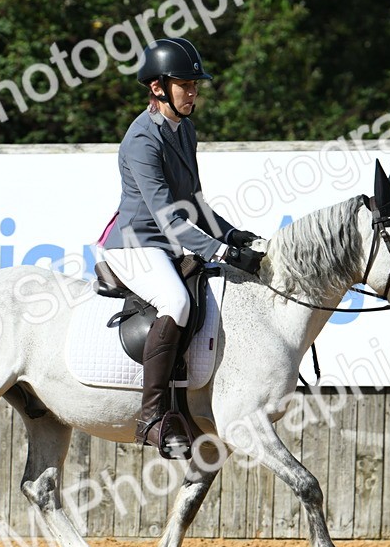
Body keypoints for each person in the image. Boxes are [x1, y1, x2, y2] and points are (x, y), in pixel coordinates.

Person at [98, 37, 265, 454]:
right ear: (158, 88)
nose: (193, 93)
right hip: (135, 244)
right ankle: (151, 416)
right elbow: (167, 218)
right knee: (176, 301)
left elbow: (194, 202)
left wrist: (231, 233)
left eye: (195, 85)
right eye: (185, 85)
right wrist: (220, 252)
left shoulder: (184, 128)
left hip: (168, 241)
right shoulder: (141, 140)